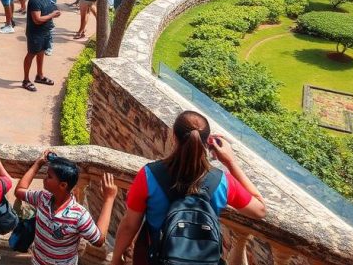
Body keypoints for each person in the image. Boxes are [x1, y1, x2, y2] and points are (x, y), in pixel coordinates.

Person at [110, 111, 267, 265]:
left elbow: (129, 225)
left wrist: (116, 260)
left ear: (173, 138)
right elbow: (260, 210)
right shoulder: (222, 181)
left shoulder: (148, 175)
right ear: (206, 143)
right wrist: (230, 162)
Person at [15, 151, 118, 265]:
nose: (44, 179)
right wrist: (38, 164)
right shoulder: (42, 198)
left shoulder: (79, 215)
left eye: (49, 176)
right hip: (38, 261)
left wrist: (109, 199)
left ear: (63, 185)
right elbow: (19, 192)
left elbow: (98, 241)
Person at [23, 0, 60, 92]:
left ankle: (40, 76)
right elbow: (37, 19)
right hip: (36, 33)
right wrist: (53, 15)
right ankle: (26, 80)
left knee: (41, 53)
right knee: (31, 54)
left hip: (45, 32)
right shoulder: (35, 1)